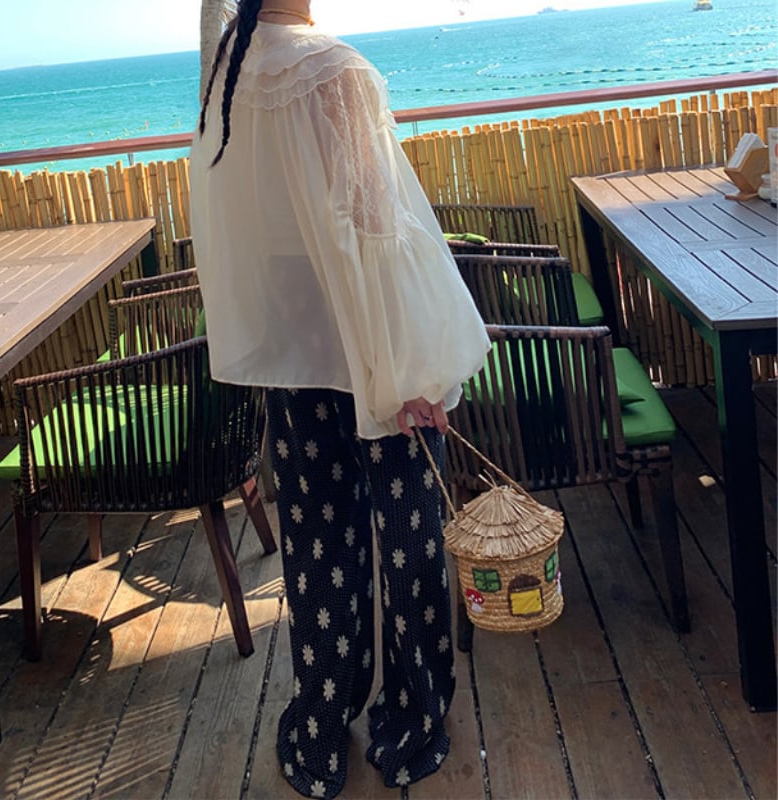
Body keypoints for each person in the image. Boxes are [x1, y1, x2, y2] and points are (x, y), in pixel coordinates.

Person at [189, 2, 490, 797]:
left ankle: (323, 724)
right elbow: (379, 238)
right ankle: (414, 716)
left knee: (318, 550)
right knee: (410, 543)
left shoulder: (227, 76)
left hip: (297, 362)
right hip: (373, 354)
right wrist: (415, 372)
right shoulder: (336, 71)